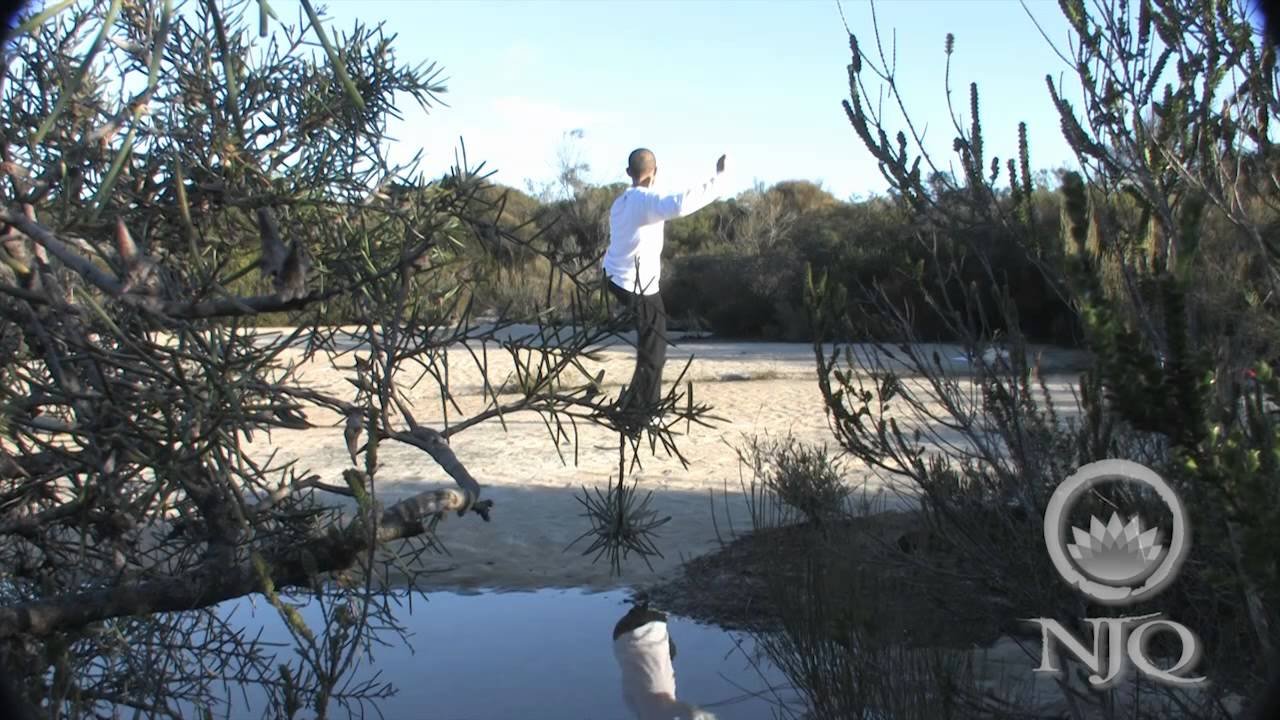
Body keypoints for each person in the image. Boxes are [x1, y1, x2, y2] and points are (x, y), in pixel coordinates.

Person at [603, 149, 727, 416]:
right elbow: (680, 204)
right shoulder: (644, 200)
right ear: (655, 172)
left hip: (616, 277)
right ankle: (643, 412)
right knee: (653, 349)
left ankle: (637, 405)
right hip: (636, 284)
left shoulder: (621, 202)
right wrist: (719, 179)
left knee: (651, 345)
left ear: (628, 173)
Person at [612, 602, 717, 720]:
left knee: (661, 595)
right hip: (622, 638)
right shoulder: (636, 708)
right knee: (669, 653)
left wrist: (702, 716)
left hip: (643, 630)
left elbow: (686, 711)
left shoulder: (658, 715)